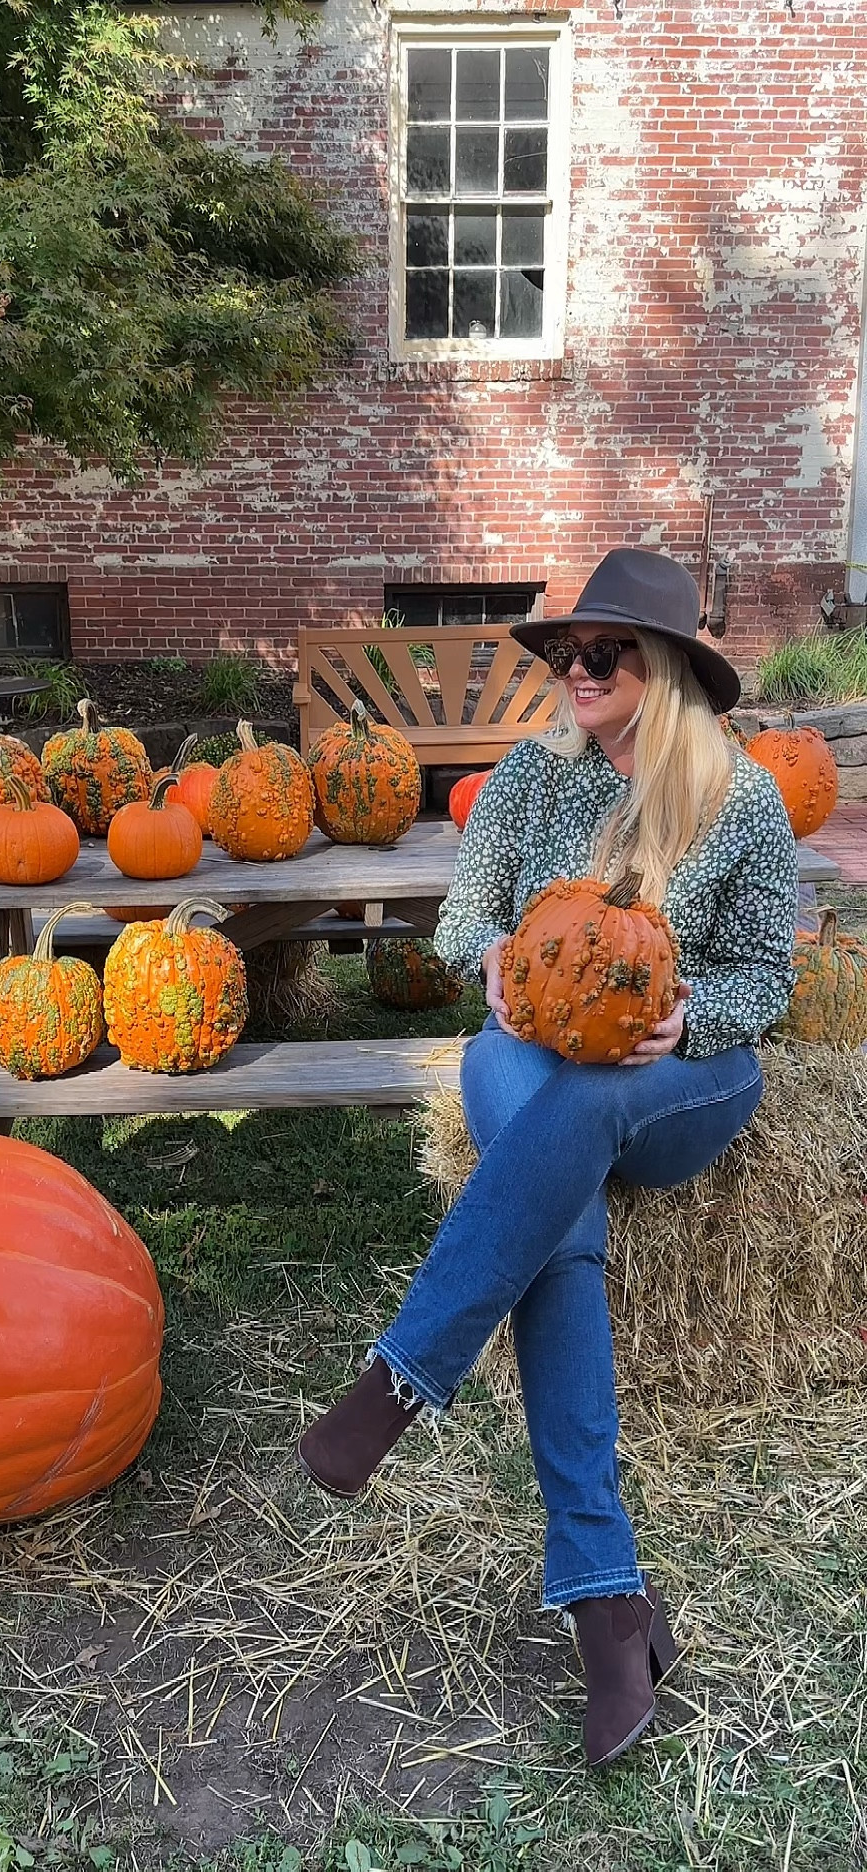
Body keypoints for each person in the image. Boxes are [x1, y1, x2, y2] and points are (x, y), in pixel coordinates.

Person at [298, 549, 798, 1768]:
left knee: (575, 1108)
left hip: (687, 1082)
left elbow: (768, 975)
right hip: (541, 1060)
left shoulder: (743, 799)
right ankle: (605, 1598)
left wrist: (696, 1017)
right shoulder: (529, 779)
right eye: (565, 652)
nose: (574, 671)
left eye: (603, 653)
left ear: (667, 668)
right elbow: (468, 914)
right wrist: (495, 974)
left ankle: (406, 1374)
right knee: (537, 1139)